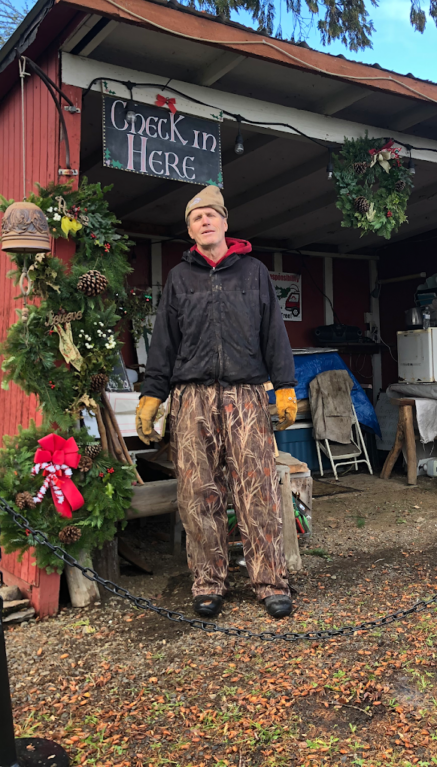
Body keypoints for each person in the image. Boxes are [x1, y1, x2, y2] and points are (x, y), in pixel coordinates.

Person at [135, 185, 298, 620]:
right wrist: (153, 393)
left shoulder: (255, 272)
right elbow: (163, 341)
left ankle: (270, 582)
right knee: (197, 493)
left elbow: (274, 334)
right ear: (190, 230)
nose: (204, 222)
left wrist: (284, 385)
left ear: (225, 222)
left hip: (246, 395)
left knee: (257, 488)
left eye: (211, 215)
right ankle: (208, 583)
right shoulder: (179, 277)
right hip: (191, 398)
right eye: (195, 218)